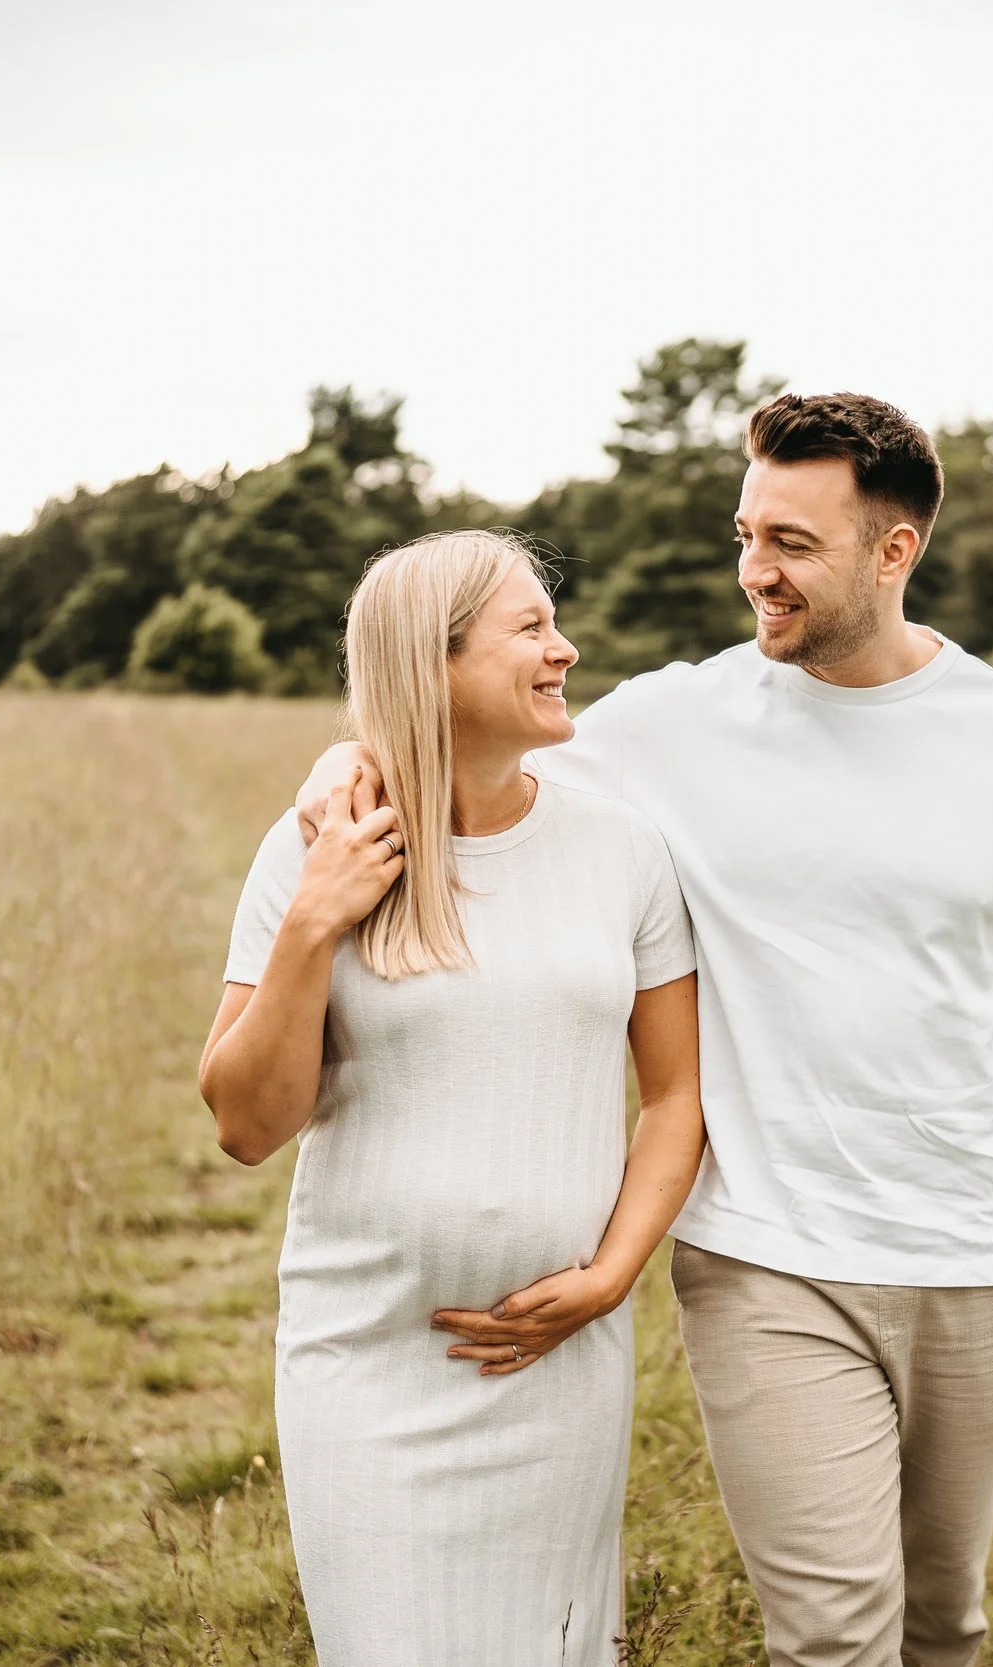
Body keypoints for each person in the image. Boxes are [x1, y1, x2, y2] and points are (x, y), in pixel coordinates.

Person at [296, 393, 993, 1667]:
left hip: (981, 1254)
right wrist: (340, 763)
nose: (755, 569)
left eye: (793, 543)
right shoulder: (667, 724)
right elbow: (460, 744)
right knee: (833, 1638)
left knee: (944, 1622)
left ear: (894, 551)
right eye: (746, 532)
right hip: (768, 1251)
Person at [200, 529, 704, 1665]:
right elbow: (244, 1124)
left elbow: (675, 1098)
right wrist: (313, 919)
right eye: (531, 628)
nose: (565, 649)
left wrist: (608, 1278)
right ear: (434, 661)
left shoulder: (622, 851)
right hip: (368, 1362)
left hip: (559, 1365)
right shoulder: (317, 848)